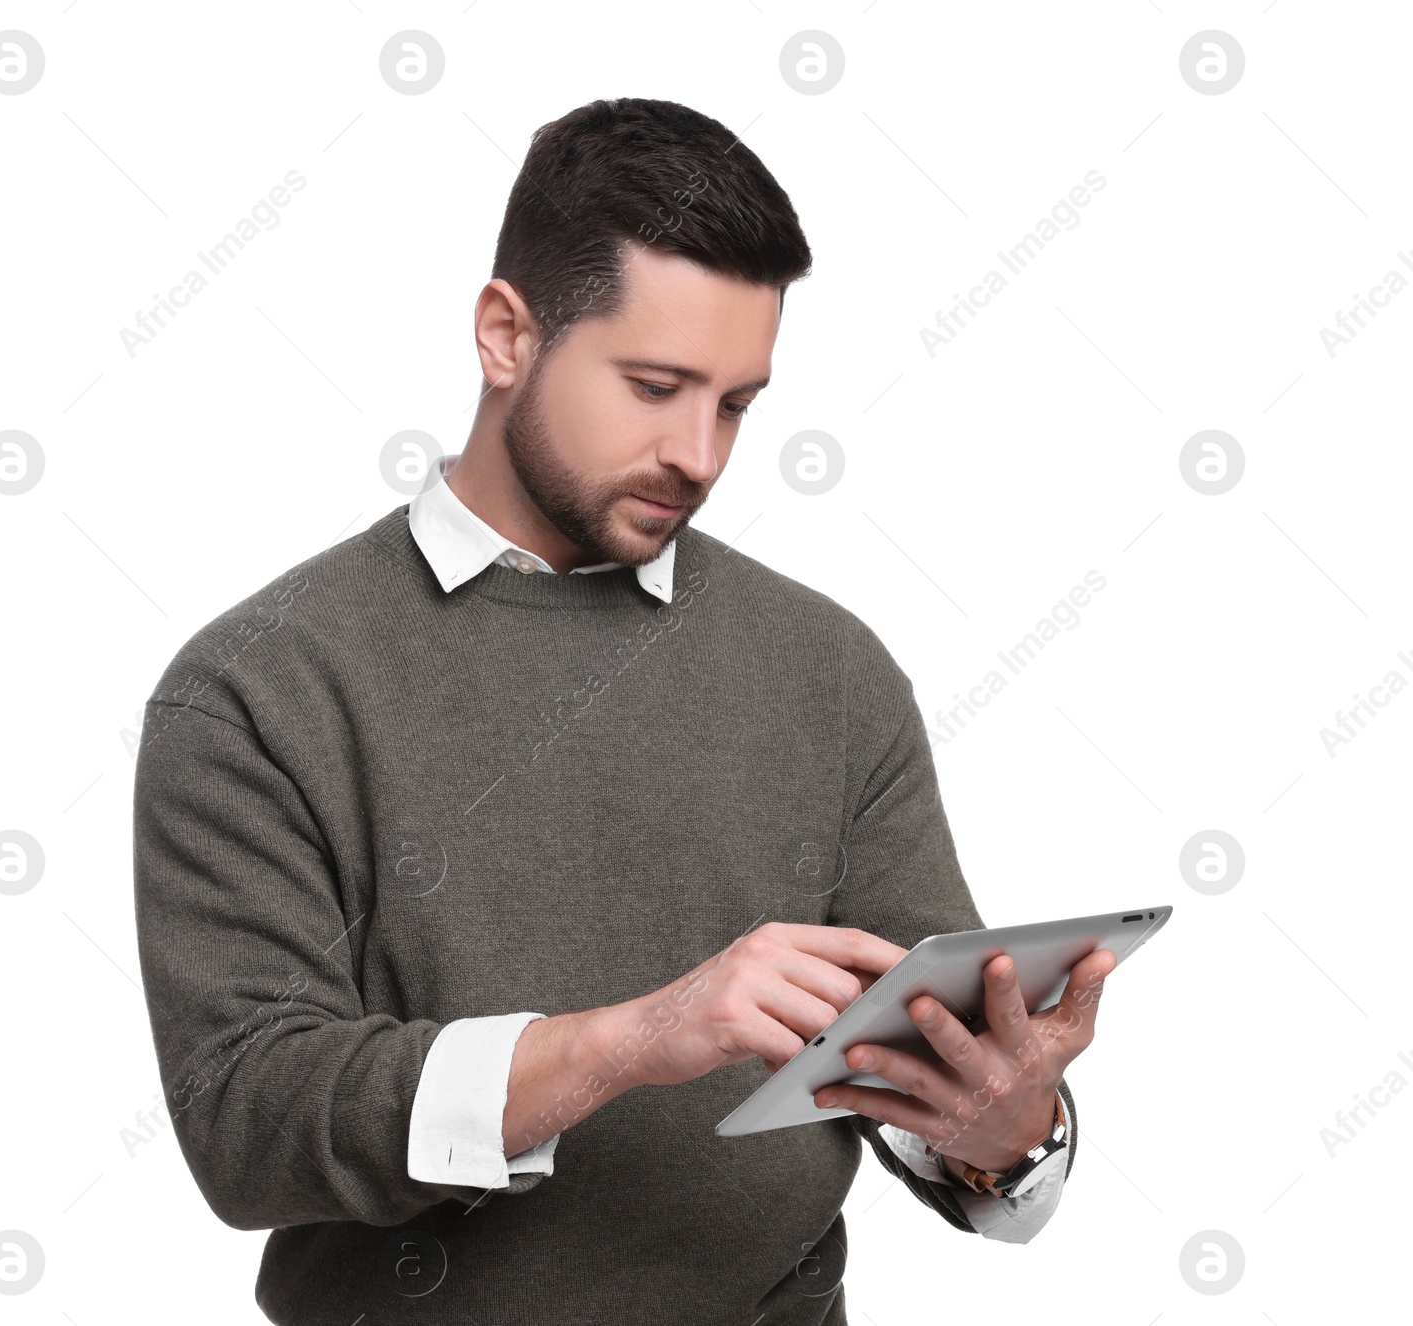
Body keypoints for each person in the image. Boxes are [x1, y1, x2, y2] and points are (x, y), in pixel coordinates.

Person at [132, 96, 1115, 1326]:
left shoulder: (830, 671)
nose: (698, 455)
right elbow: (249, 1123)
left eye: (736, 404)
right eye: (654, 387)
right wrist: (629, 1041)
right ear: (505, 335)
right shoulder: (255, 689)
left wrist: (1007, 1125)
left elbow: (922, 1068)